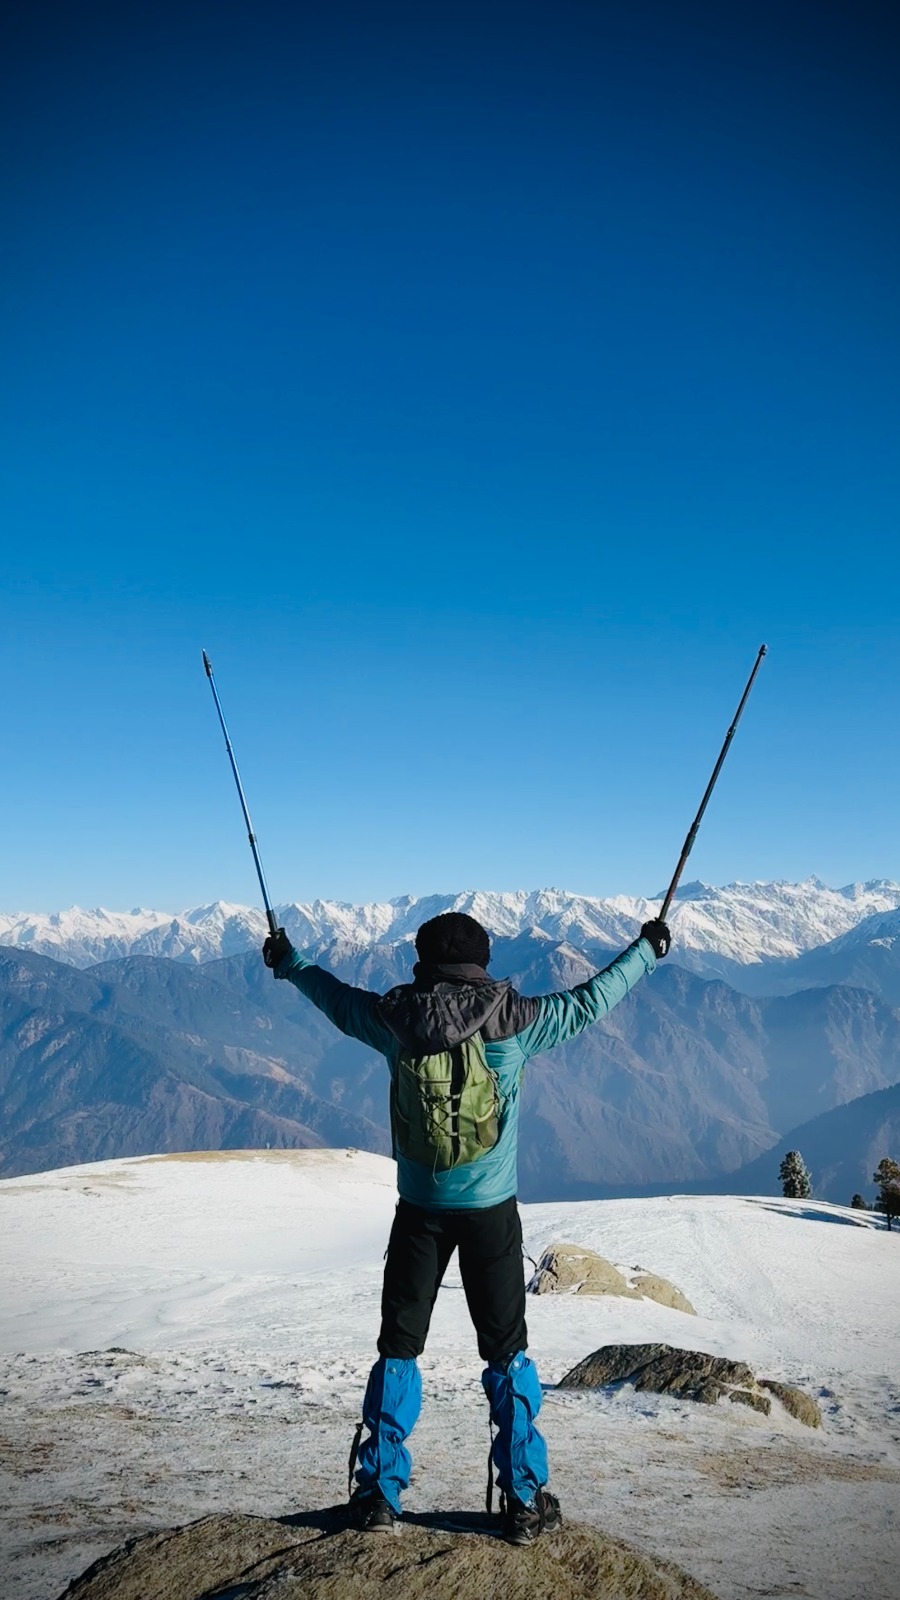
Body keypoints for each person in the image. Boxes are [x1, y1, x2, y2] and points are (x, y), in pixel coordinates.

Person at [262, 908, 670, 1543]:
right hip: (491, 1214)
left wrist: (290, 964)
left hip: (418, 1211)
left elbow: (335, 999)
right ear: (482, 964)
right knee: (507, 1352)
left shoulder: (393, 1020)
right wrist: (647, 949)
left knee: (399, 1346)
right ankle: (523, 1500)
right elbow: (592, 1000)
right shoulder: (517, 1021)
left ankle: (377, 1494)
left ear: (422, 962)